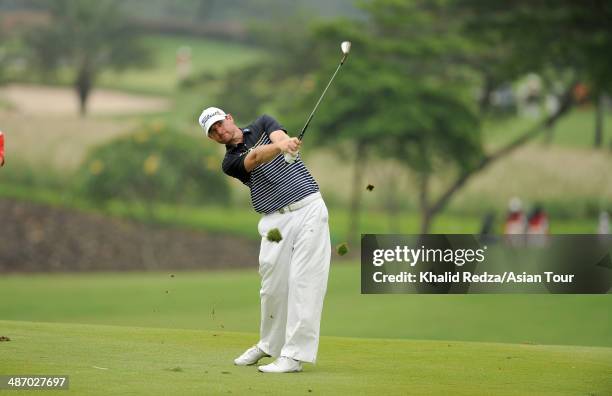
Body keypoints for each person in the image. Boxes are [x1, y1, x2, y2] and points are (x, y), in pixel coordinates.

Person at [198, 107, 331, 373]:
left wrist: (286, 143)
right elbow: (256, 157)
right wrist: (283, 148)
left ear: (229, 118)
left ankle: (293, 356)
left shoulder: (262, 123)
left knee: (304, 283)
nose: (220, 131)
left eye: (219, 124)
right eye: (213, 132)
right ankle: (269, 346)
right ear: (212, 139)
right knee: (272, 287)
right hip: (274, 221)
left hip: (308, 210)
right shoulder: (230, 163)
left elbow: (278, 136)